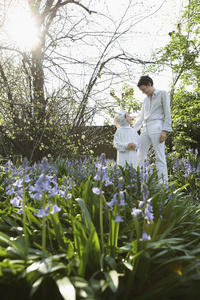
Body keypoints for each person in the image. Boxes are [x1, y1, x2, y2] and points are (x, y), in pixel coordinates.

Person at [133, 75, 172, 183]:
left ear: (149, 84)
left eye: (144, 89)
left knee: (160, 156)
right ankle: (141, 183)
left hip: (157, 126)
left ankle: (163, 186)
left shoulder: (162, 94)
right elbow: (141, 118)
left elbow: (167, 113)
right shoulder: (145, 100)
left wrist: (165, 130)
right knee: (140, 155)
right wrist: (131, 129)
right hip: (145, 128)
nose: (143, 92)